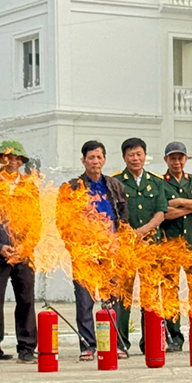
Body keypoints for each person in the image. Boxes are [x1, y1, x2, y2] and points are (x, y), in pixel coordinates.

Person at [58, 140, 128, 361]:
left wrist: (119, 241)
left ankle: (114, 344)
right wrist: (74, 246)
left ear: (104, 160)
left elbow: (124, 218)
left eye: (98, 157)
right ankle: (88, 345)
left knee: (111, 298)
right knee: (85, 299)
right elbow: (62, 221)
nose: (95, 161)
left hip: (110, 251)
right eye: (90, 158)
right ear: (83, 160)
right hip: (84, 252)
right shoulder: (72, 187)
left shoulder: (114, 185)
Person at [0, 141, 40, 364]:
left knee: (26, 300)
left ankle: (26, 348)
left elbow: (36, 221)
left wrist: (26, 247)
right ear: (0, 159)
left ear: (22, 161)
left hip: (24, 254)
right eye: (8, 157)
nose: (13, 162)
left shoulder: (29, 186)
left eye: (17, 158)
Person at [113, 138, 167, 355]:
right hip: (125, 248)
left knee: (150, 295)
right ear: (124, 157)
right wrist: (130, 236)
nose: (135, 159)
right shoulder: (116, 182)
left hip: (150, 247)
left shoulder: (156, 182)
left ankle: (150, 342)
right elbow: (114, 216)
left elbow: (161, 213)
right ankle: (121, 343)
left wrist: (142, 232)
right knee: (123, 296)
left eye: (138, 154)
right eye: (130, 155)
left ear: (145, 156)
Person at [160, 141, 192, 352]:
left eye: (180, 158)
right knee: (170, 291)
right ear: (166, 160)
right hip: (170, 246)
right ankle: (174, 338)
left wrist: (180, 201)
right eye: (173, 158)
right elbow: (165, 212)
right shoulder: (160, 183)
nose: (177, 162)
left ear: (186, 159)